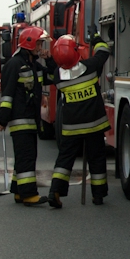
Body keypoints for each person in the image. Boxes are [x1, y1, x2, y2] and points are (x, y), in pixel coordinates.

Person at [46, 34, 111, 208]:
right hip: (94, 125)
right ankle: (98, 195)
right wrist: (96, 39)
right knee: (96, 159)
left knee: (64, 160)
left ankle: (55, 191)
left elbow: (57, 69)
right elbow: (103, 52)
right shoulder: (91, 68)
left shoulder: (58, 77)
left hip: (71, 128)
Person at [0, 26, 51, 206]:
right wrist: (3, 118)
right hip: (20, 120)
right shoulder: (14, 64)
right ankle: (29, 194)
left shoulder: (33, 65)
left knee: (24, 157)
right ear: (30, 43)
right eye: (39, 43)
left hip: (30, 120)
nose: (41, 47)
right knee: (27, 156)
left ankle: (18, 191)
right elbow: (7, 94)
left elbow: (52, 77)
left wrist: (48, 59)